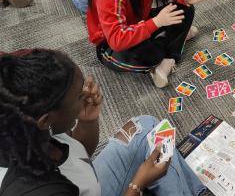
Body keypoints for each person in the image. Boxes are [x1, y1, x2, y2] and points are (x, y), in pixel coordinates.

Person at [0, 49, 205, 196]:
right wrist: (138, 184)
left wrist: (88, 120)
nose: (87, 94)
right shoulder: (41, 189)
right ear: (46, 120)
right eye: (78, 95)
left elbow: (77, 156)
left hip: (88, 185)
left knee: (146, 126)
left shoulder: (26, 122)